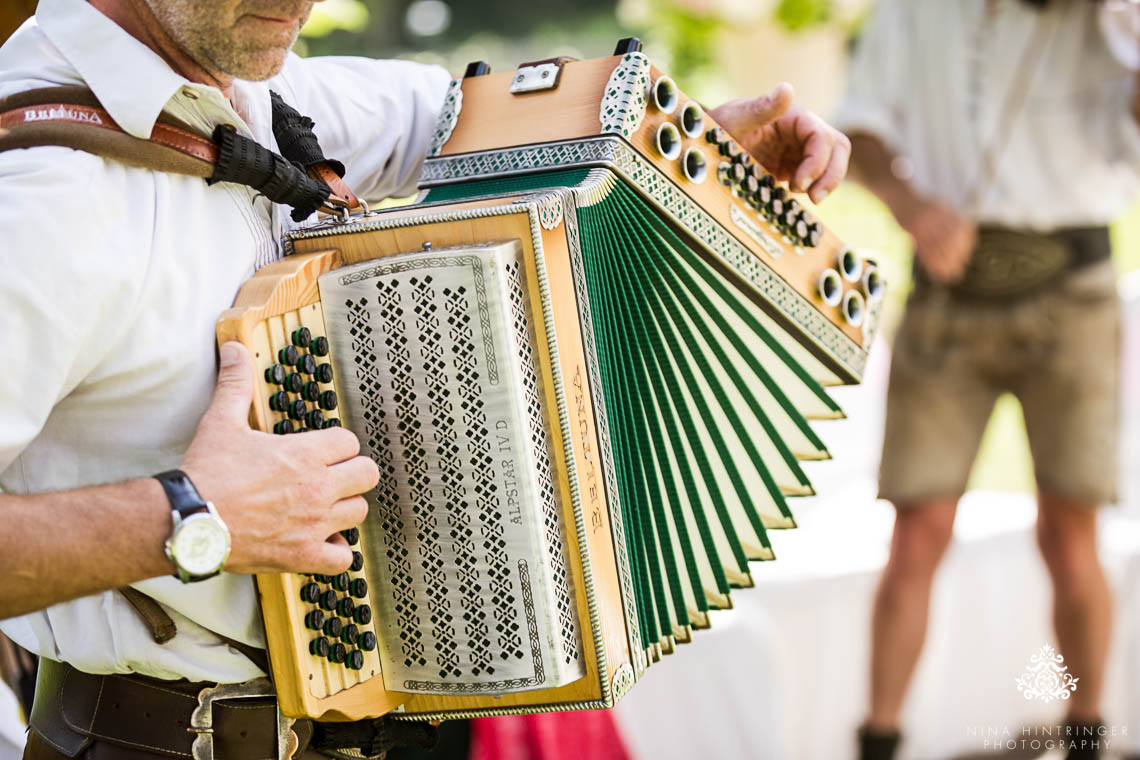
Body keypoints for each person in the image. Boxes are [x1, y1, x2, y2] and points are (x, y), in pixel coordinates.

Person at [0, 0, 852, 757]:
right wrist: (192, 517)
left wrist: (702, 149)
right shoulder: (41, 200)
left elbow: (499, 111)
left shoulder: (259, 86)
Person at [835, 1, 1140, 759]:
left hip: (1074, 294)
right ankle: (879, 740)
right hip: (947, 298)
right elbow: (862, 126)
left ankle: (1087, 737)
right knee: (915, 531)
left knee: (1071, 533)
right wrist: (911, 206)